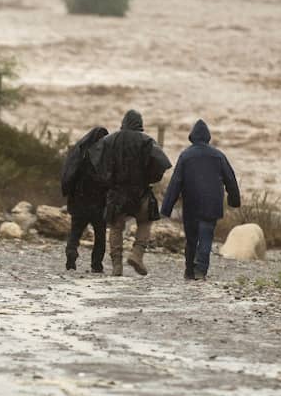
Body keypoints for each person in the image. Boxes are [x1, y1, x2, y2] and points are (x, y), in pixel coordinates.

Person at [91, 109, 171, 276]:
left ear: (123, 122)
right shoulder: (147, 141)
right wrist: (150, 178)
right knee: (145, 222)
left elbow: (96, 163)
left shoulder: (109, 140)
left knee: (115, 227)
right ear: (140, 124)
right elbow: (161, 165)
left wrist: (108, 181)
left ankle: (117, 265)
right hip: (141, 191)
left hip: (117, 192)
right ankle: (137, 254)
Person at [160, 119, 240, 281]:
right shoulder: (218, 156)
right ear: (208, 137)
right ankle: (200, 270)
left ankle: (189, 270)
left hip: (191, 204)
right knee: (206, 237)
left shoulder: (186, 156)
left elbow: (175, 183)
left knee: (191, 239)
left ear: (192, 137)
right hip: (212, 205)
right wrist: (234, 201)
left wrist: (166, 208)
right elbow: (230, 180)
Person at [61, 126, 110, 272]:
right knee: (100, 235)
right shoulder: (105, 156)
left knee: (75, 232)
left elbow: (69, 175)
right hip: (99, 203)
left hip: (79, 201)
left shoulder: (79, 153)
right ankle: (96, 265)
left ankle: (71, 254)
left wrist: (68, 194)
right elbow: (109, 179)